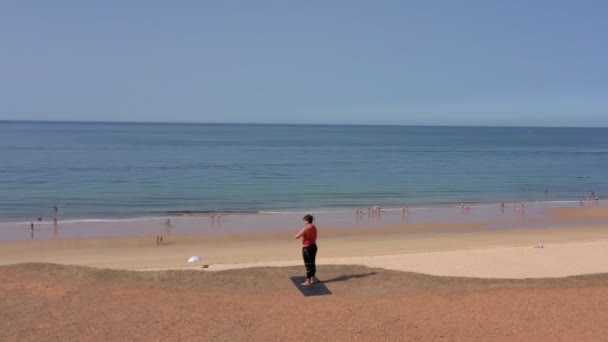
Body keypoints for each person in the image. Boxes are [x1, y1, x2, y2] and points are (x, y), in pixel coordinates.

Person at [295, 214, 318, 286]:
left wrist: (302, 230)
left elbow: (296, 236)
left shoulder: (306, 228)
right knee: (313, 263)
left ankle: (308, 281)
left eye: (304, 221)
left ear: (307, 221)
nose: (304, 222)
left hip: (307, 248)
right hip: (314, 246)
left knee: (308, 265)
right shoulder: (314, 227)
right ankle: (312, 279)